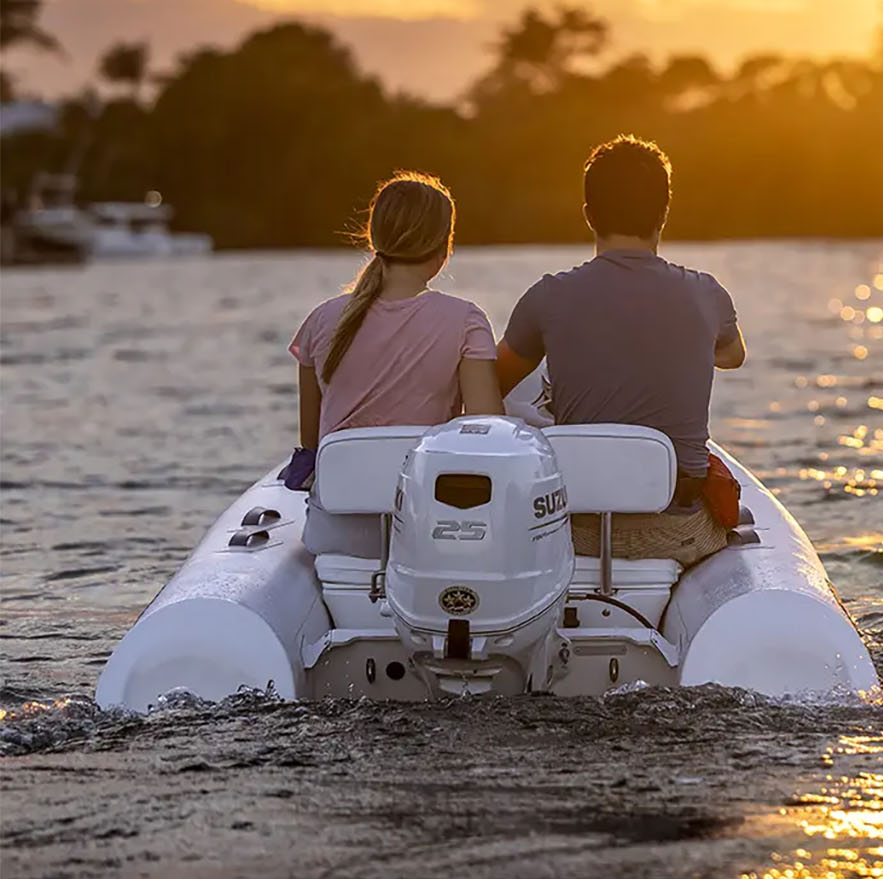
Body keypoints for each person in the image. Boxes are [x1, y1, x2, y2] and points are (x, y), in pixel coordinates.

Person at [495, 136, 745, 562]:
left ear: (588, 215)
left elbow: (493, 381)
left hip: (580, 533)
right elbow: (732, 356)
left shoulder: (548, 297)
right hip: (678, 532)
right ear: (664, 214)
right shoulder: (706, 293)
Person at [284, 172, 503, 555]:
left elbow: (312, 444)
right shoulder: (465, 320)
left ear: (374, 240)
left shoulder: (320, 321)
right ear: (444, 246)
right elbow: (489, 436)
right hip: (425, 534)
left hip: (338, 533)